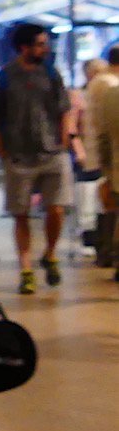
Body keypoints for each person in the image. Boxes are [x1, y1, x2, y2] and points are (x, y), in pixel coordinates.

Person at [0, 22, 73, 294]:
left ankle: (50, 253)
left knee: (56, 208)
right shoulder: (4, 78)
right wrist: (1, 149)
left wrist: (64, 138)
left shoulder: (51, 73)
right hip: (19, 156)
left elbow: (63, 109)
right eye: (40, 43)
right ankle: (26, 269)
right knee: (20, 213)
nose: (45, 48)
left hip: (51, 152)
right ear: (24, 47)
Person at [92, 48, 119, 277]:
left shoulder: (110, 92)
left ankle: (111, 257)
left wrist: (107, 168)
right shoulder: (111, 88)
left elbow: (103, 135)